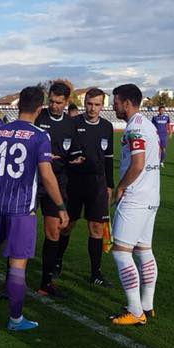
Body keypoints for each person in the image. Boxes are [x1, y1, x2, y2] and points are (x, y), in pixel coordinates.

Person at [0, 86, 69, 331]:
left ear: (18, 105)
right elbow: (46, 175)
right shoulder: (39, 136)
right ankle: (15, 319)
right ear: (39, 108)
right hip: (22, 209)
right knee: (18, 263)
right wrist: (61, 207)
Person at [109, 84, 161, 326]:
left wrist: (120, 187)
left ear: (127, 103)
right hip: (151, 196)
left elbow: (138, 164)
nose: (113, 106)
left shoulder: (135, 128)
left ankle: (135, 310)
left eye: (116, 102)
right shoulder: (148, 124)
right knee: (144, 250)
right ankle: (147, 305)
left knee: (120, 252)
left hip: (136, 198)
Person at [59, 88, 114, 286]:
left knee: (96, 228)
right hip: (74, 183)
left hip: (97, 184)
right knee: (67, 225)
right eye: (90, 103)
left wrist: (110, 185)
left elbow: (109, 157)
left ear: (102, 105)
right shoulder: (73, 124)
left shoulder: (107, 126)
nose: (93, 108)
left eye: (97, 104)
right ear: (85, 103)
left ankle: (95, 273)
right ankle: (57, 262)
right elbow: (63, 153)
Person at [34, 81, 78, 297]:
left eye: (59, 102)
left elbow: (75, 154)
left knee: (53, 232)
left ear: (66, 102)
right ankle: (9, 281)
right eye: (51, 101)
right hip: (33, 180)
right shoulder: (37, 116)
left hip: (57, 182)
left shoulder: (71, 125)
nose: (54, 106)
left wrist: (73, 160)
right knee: (20, 229)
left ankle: (46, 283)